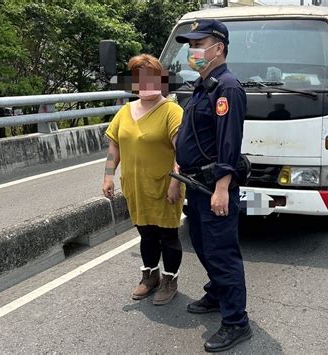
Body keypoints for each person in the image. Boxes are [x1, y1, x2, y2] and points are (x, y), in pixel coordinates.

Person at [174, 19, 251, 352]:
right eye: (190, 46)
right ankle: (218, 293)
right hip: (195, 182)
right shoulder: (202, 85)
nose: (193, 51)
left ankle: (236, 322)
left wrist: (222, 186)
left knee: (222, 253)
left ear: (218, 48)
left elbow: (228, 142)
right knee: (202, 244)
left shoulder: (227, 87)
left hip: (213, 185)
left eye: (198, 44)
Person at [102, 54, 184, 305]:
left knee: (167, 236)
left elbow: (182, 153)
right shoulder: (125, 112)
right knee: (146, 235)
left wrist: (175, 182)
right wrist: (108, 176)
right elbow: (114, 147)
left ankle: (170, 279)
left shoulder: (172, 111)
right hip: (135, 186)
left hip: (164, 186)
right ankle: (150, 276)